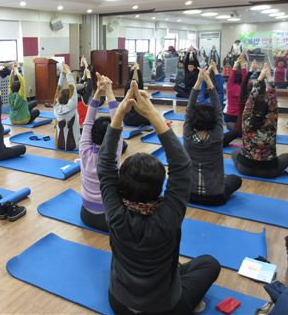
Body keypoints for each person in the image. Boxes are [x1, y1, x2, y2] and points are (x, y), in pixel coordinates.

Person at [98, 83, 220, 315]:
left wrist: (120, 113)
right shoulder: (168, 216)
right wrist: (152, 113)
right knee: (209, 264)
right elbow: (182, 165)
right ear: (160, 187)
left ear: (121, 185)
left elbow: (105, 166)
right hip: (164, 309)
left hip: (120, 305)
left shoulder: (115, 213)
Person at [185, 68, 242, 205]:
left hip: (189, 195)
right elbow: (218, 110)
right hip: (215, 197)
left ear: (193, 121)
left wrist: (199, 81)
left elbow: (189, 110)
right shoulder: (217, 137)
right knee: (235, 179)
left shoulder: (188, 137)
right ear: (214, 122)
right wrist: (208, 80)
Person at [79, 73, 125, 232]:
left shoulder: (84, 150)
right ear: (111, 138)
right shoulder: (112, 155)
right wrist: (109, 90)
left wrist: (99, 92)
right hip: (109, 218)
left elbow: (88, 121)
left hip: (86, 215)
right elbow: (117, 121)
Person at [231, 64, 288, 178]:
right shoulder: (271, 122)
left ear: (250, 110)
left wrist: (260, 78)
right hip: (268, 170)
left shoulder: (246, 119)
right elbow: (273, 103)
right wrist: (269, 78)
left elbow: (250, 100)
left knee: (234, 152)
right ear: (268, 111)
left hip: (245, 168)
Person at [54, 63, 79, 151]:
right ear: (70, 98)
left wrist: (63, 74)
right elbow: (73, 88)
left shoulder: (55, 106)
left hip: (59, 145)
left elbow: (58, 89)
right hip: (74, 146)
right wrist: (68, 73)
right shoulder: (72, 106)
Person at [123, 63, 150, 127]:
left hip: (127, 120)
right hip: (138, 119)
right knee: (150, 117)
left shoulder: (127, 87)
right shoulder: (139, 89)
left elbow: (129, 79)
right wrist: (138, 70)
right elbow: (141, 83)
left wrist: (133, 70)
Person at [224, 55, 247, 125]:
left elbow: (231, 77)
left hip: (229, 116)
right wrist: (242, 65)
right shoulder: (243, 88)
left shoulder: (230, 86)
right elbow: (245, 78)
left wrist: (235, 65)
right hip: (240, 116)